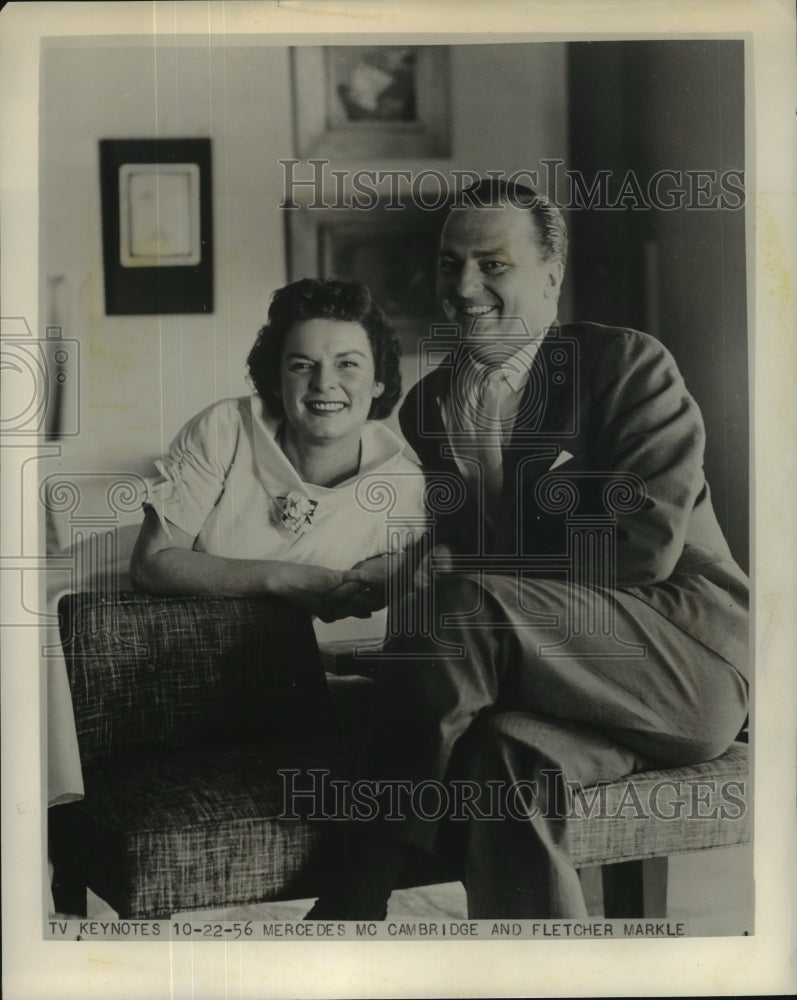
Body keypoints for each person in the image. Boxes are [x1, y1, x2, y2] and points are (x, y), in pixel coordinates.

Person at [306, 179, 749, 920]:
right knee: (502, 763)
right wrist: (408, 577)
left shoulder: (626, 366)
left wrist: (465, 582)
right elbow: (452, 561)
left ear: (550, 274)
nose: (464, 287)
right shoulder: (427, 405)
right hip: (548, 685)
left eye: (492, 264)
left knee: (464, 603)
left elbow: (640, 548)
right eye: (450, 265)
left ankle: (355, 892)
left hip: (682, 668)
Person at [130, 277, 424, 631]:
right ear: (275, 379)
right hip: (140, 629)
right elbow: (151, 564)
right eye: (302, 365)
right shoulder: (225, 430)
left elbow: (400, 573)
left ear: (379, 380)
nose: (323, 382)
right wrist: (283, 578)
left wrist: (379, 576)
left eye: (347, 364)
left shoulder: (405, 485)